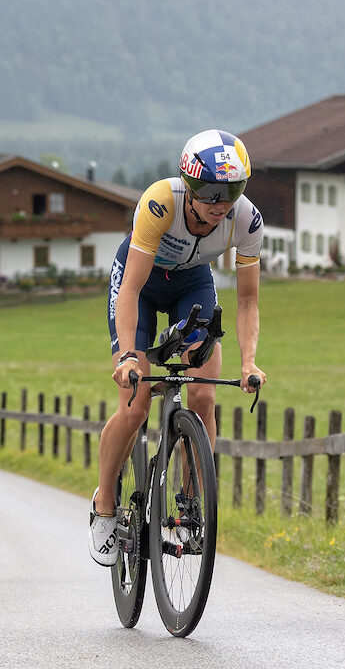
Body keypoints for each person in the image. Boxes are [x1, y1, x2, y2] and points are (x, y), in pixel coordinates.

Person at [89, 129, 267, 566]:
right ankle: (105, 503)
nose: (220, 204)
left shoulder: (247, 220)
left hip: (193, 285)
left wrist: (248, 362)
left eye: (232, 191)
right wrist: (130, 355)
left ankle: (189, 503)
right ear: (188, 185)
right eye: (210, 192)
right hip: (142, 285)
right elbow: (128, 290)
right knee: (135, 406)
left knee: (204, 394)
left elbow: (247, 302)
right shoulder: (159, 202)